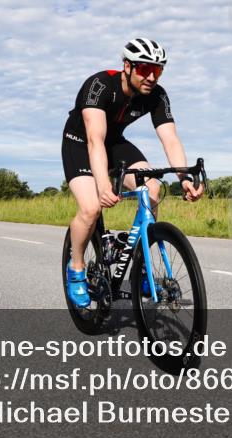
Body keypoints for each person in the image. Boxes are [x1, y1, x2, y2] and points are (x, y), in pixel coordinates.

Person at [61, 38, 204, 308]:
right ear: (127, 66)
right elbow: (94, 139)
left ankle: (142, 268)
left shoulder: (157, 95)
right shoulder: (100, 85)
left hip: (115, 144)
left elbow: (170, 139)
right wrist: (103, 184)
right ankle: (76, 267)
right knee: (91, 208)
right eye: (144, 69)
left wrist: (184, 178)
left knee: (153, 187)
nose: (151, 76)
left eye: (158, 70)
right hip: (80, 143)